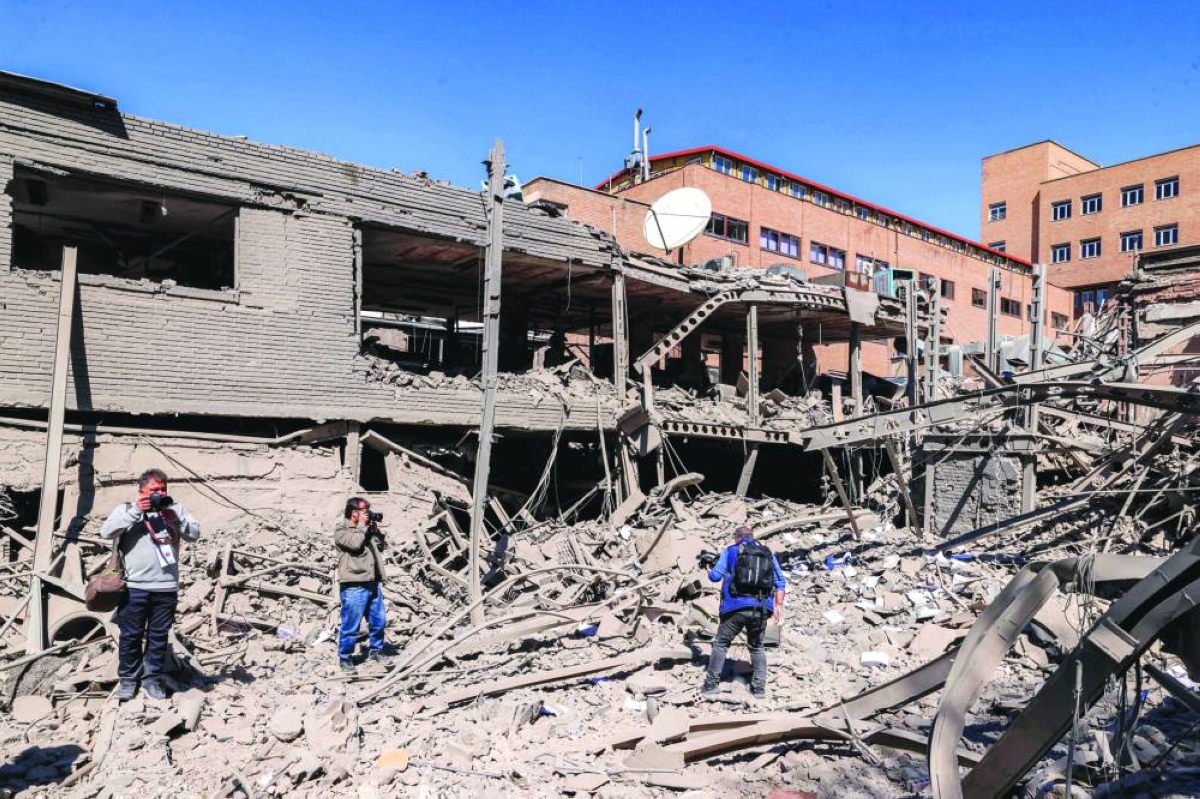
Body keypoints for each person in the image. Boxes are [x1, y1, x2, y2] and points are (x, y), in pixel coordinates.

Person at [99, 468, 200, 701]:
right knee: (130, 636)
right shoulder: (126, 510)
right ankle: (128, 681)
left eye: (163, 489)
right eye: (155, 490)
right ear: (141, 490)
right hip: (135, 587)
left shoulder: (175, 509)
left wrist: (178, 521)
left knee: (158, 637)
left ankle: (152, 680)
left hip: (165, 588)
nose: (160, 494)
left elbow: (195, 534)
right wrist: (136, 511)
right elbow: (106, 531)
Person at [701, 525, 786, 699]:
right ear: (752, 537)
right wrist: (778, 606)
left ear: (737, 538)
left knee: (721, 643)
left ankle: (711, 685)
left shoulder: (731, 550)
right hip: (762, 608)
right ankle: (759, 688)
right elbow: (780, 582)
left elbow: (715, 577)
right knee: (757, 646)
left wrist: (708, 566)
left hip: (735, 607)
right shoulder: (767, 553)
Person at [335, 497, 388, 673]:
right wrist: (362, 527)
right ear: (353, 513)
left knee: (379, 621)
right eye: (364, 510)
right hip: (353, 585)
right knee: (351, 625)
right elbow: (355, 544)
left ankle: (376, 651)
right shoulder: (341, 530)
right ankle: (345, 659)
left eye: (368, 510)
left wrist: (375, 532)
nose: (367, 513)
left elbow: (380, 547)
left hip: (372, 582)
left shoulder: (364, 529)